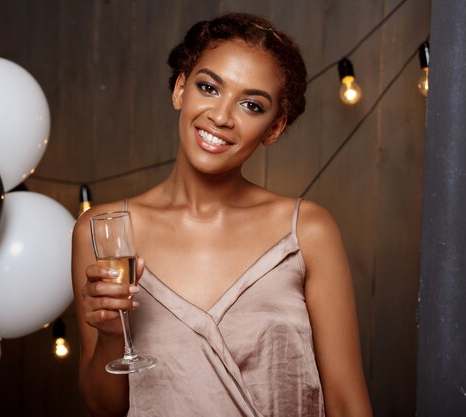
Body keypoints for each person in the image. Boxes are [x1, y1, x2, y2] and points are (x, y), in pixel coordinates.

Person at [71, 12, 372, 417]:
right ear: (180, 89)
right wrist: (110, 336)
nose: (222, 116)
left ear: (274, 127)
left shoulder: (307, 231)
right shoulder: (102, 230)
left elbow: (349, 403)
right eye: (209, 87)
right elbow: (103, 409)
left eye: (251, 104)